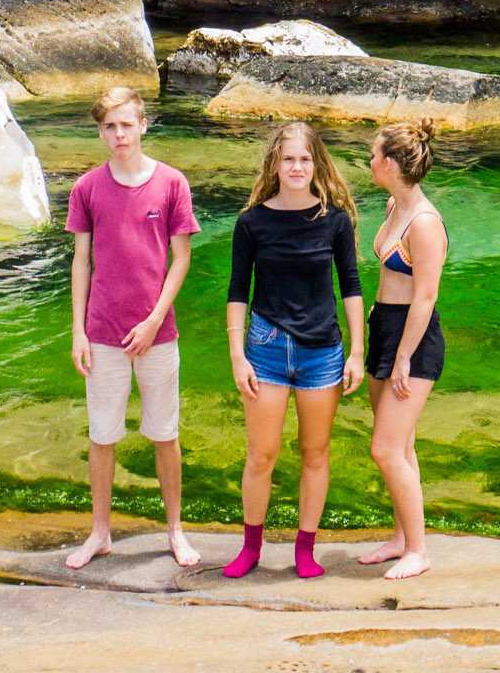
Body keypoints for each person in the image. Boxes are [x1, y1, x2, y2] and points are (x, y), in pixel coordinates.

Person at [65, 84, 202, 571]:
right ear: (100, 131)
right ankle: (100, 532)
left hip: (157, 334)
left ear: (143, 125)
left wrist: (153, 320)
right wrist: (78, 331)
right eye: (109, 126)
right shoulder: (86, 188)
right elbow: (81, 261)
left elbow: (180, 260)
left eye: (127, 124)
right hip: (102, 332)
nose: (119, 134)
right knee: (102, 436)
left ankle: (175, 531)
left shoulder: (171, 184)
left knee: (164, 434)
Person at [222, 119, 363, 580]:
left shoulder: (335, 221)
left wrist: (357, 352)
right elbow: (238, 291)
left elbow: (352, 288)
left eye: (304, 158)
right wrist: (237, 355)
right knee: (261, 455)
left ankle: (305, 549)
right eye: (289, 159)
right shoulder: (251, 223)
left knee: (314, 453)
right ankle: (251, 547)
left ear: (316, 163)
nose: (297, 166)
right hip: (265, 347)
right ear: (275, 164)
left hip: (322, 351)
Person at [358, 118, 448, 580]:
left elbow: (426, 297)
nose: (369, 161)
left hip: (413, 340)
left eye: (374, 154)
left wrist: (404, 357)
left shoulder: (425, 223)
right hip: (385, 330)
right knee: (401, 445)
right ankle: (400, 538)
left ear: (390, 163)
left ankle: (419, 550)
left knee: (386, 449)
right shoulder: (394, 204)